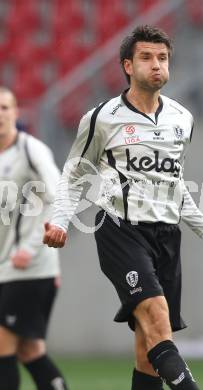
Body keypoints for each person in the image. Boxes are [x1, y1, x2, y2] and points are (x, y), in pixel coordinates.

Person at [43, 25, 203, 390]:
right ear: (128, 66)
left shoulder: (182, 118)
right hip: (121, 229)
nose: (157, 66)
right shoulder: (103, 117)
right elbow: (75, 173)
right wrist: (60, 221)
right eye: (147, 58)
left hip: (166, 235)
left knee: (148, 350)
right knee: (156, 316)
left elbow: (173, 185)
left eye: (163, 58)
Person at [0, 87, 68, 390]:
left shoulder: (31, 150)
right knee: (30, 351)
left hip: (30, 266)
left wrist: (31, 247)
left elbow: (58, 196)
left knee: (2, 347)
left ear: (16, 113)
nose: (0, 115)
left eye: (5, 108)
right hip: (7, 267)